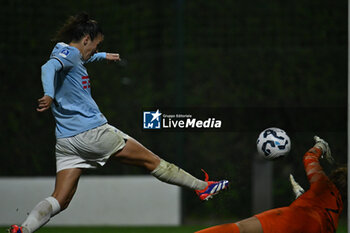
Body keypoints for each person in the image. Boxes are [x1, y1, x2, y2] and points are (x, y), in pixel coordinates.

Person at [9, 12, 229, 233]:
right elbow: (48, 68)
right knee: (152, 161)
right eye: (96, 44)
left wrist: (102, 55)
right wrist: (49, 94)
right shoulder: (70, 53)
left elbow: (76, 59)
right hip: (93, 133)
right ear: (86, 39)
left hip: (66, 141)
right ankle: (202, 187)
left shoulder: (66, 52)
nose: (95, 49)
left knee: (60, 199)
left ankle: (24, 229)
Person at [195, 136, 347, 233]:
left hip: (295, 218)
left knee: (240, 229)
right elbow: (318, 214)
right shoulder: (334, 217)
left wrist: (320, 145)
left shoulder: (324, 184)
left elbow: (309, 158)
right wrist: (303, 197)